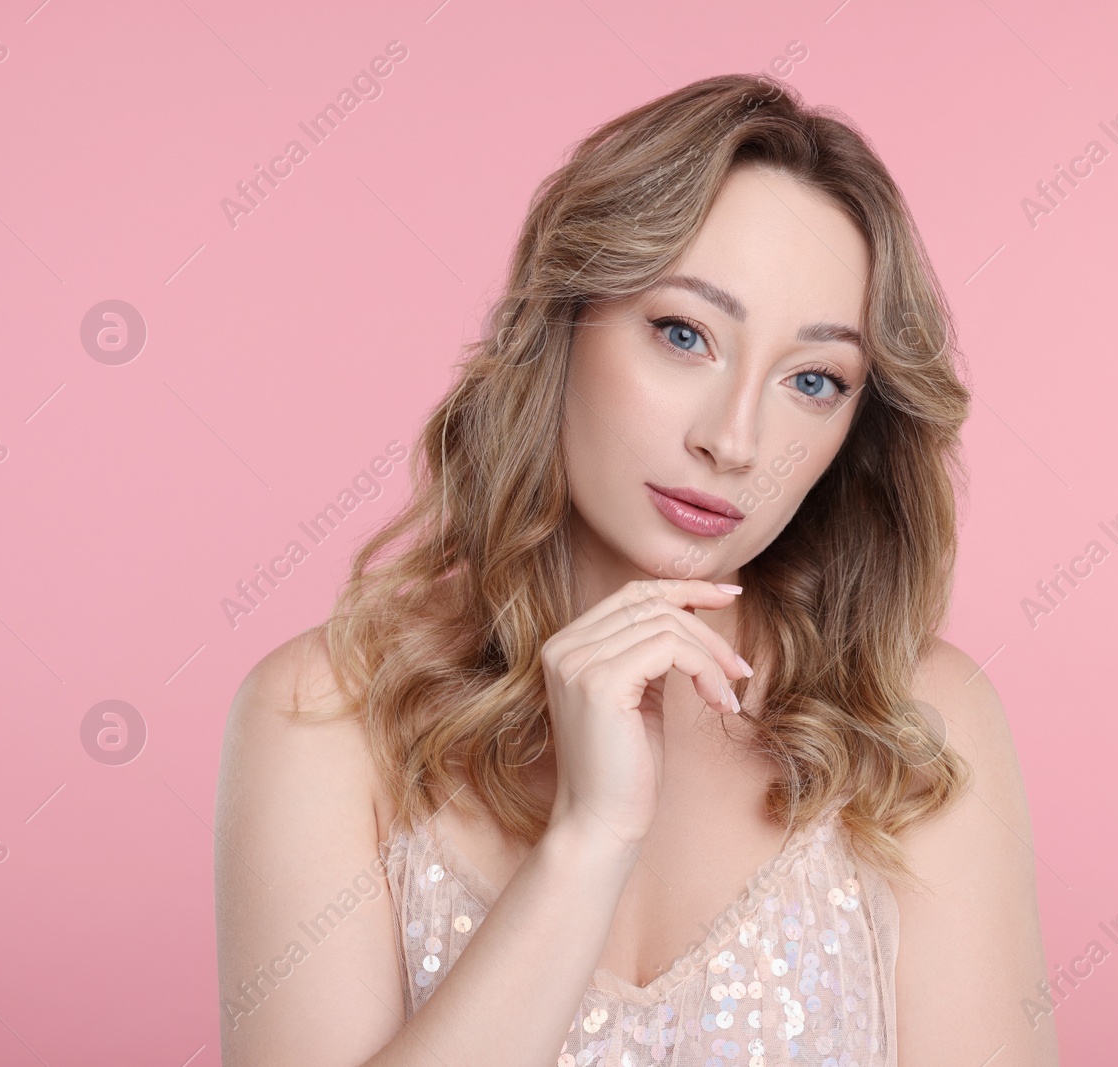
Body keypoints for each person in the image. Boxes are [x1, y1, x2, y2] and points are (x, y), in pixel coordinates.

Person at [214, 72, 1056, 1066]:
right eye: (684, 333)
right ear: (561, 325)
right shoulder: (325, 717)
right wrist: (587, 841)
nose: (736, 440)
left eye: (813, 379)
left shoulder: (914, 722)